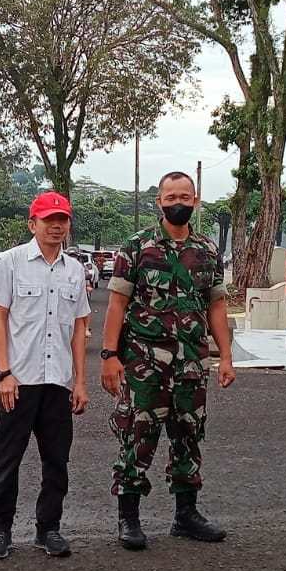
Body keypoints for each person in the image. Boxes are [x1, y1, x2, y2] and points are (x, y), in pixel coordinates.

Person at [100, 170, 236, 548]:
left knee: (189, 436)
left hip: (192, 364)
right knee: (137, 436)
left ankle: (186, 515)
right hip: (144, 364)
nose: (178, 203)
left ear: (196, 201)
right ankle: (129, 519)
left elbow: (217, 306)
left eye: (185, 197)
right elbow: (117, 304)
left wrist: (225, 356)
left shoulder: (208, 250)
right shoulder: (138, 247)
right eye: (171, 196)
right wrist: (110, 355)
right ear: (158, 202)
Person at [0, 191, 93, 561]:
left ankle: (49, 529)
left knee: (56, 461)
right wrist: (4, 373)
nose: (56, 226)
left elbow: (78, 329)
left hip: (57, 382)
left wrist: (79, 381)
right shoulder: (11, 263)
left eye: (62, 220)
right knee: (7, 459)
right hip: (18, 380)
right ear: (33, 224)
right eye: (48, 220)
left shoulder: (75, 271)